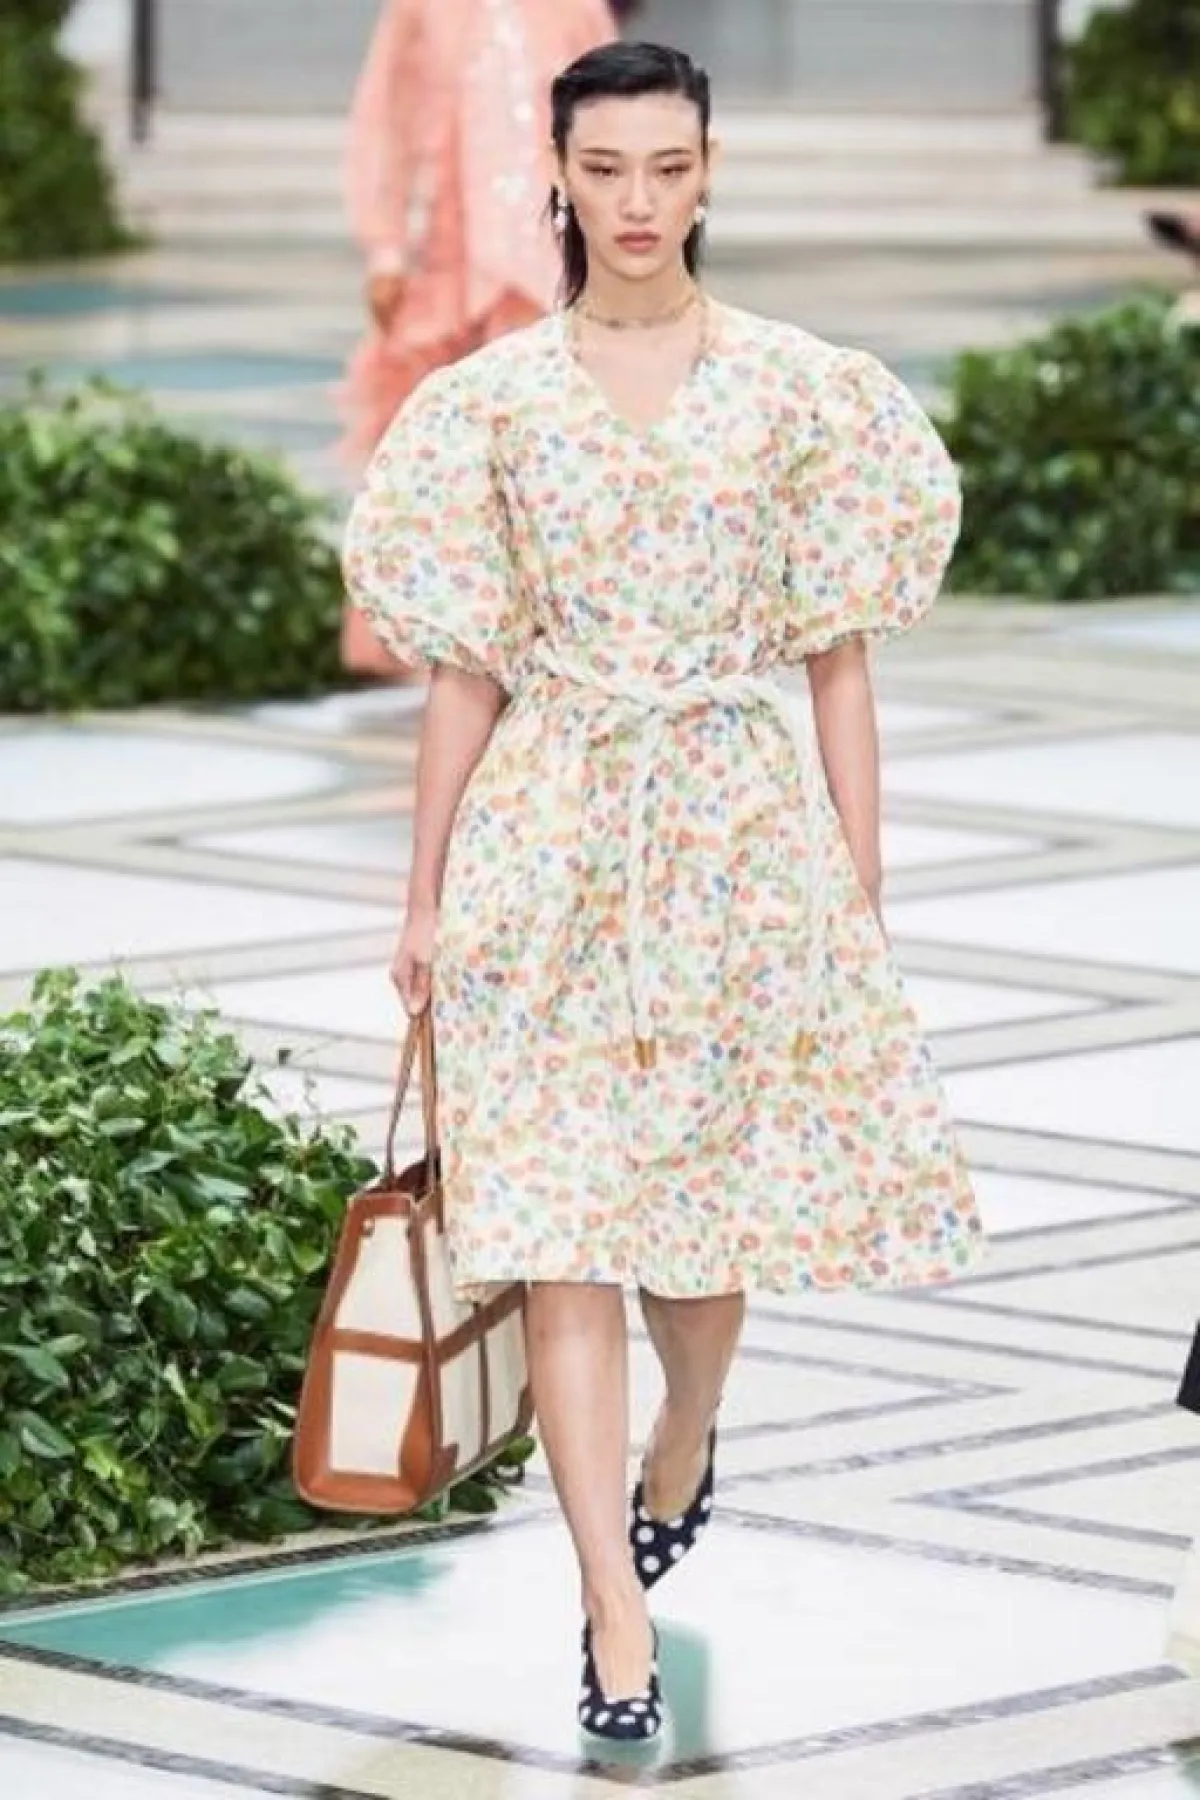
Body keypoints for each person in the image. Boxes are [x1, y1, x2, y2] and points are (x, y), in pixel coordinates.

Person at [344, 40, 984, 1743]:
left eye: (668, 166)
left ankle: (686, 1433)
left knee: (698, 1245)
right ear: (557, 178)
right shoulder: (489, 406)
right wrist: (423, 900)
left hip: (734, 845)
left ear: (709, 175)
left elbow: (839, 662)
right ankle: (611, 1619)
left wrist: (855, 893)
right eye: (607, 167)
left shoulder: (804, 394)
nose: (637, 201)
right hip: (543, 841)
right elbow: (464, 673)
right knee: (561, 1240)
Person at [339, 0, 616, 677]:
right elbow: (385, 121)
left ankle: (546, 636)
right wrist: (385, 248)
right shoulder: (422, 10)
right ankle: (425, 631)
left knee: (547, 458)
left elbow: (617, 127)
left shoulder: (574, 10)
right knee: (429, 454)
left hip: (546, 271)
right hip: (445, 266)